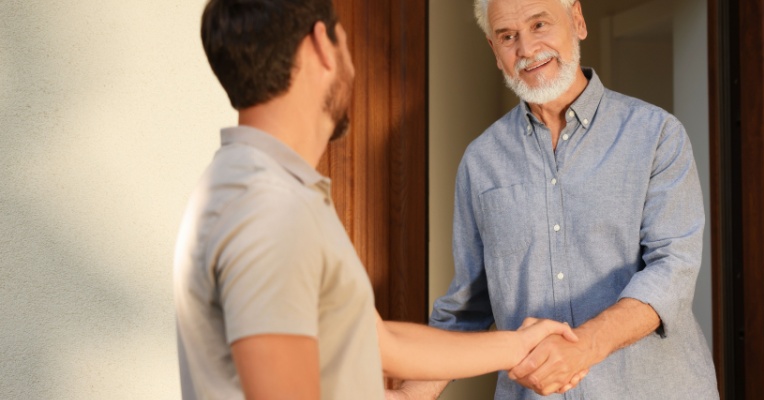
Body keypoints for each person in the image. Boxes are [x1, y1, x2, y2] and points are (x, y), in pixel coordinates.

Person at [173, 0, 583, 399]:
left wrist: (520, 344)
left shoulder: (265, 189)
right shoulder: (269, 207)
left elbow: (379, 342)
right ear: (322, 45)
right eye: (344, 40)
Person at [392, 0, 719, 398]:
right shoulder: (481, 161)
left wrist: (583, 347)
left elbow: (674, 269)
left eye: (539, 24)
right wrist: (408, 395)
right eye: (508, 36)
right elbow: (467, 306)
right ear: (494, 51)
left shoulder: (656, 135)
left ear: (577, 20)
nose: (526, 49)